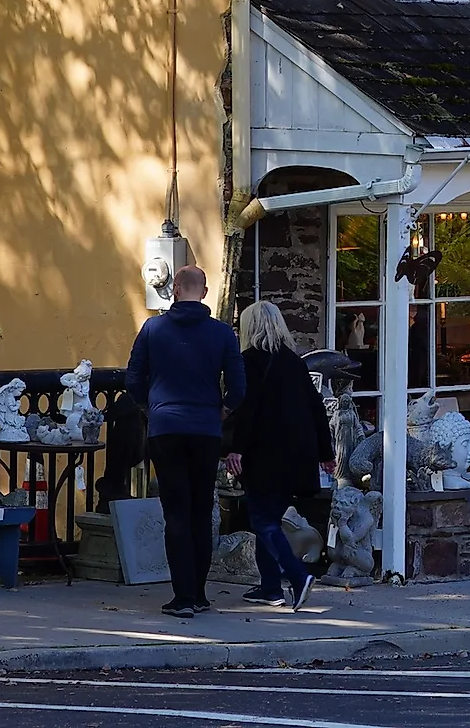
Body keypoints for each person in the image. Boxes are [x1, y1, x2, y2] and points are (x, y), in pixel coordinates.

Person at [124, 262, 247, 618]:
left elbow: (134, 378)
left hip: (165, 428)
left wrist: (151, 407)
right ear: (204, 292)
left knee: (175, 512)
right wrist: (222, 410)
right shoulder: (223, 334)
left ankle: (183, 596)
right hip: (206, 429)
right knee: (200, 509)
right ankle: (200, 592)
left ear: (174, 290)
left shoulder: (152, 329)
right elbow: (238, 388)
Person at [228, 300, 332, 612]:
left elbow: (247, 410)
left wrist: (236, 448)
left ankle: (298, 577)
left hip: (265, 454)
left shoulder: (248, 361)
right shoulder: (294, 362)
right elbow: (317, 409)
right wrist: (325, 453)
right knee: (269, 518)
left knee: (262, 519)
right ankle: (270, 586)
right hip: (297, 455)